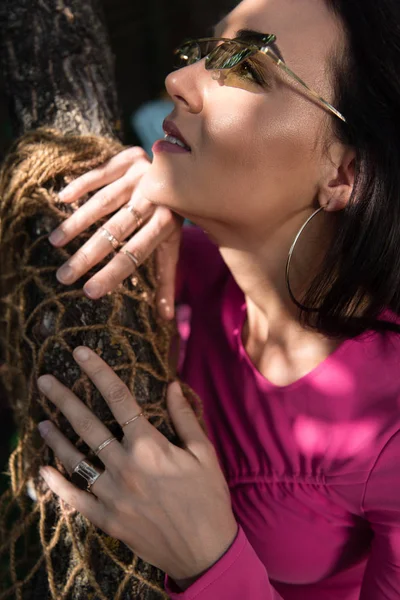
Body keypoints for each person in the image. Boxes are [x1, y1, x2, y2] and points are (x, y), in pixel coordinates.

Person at [35, 0, 400, 598]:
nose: (178, 82)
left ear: (344, 175)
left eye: (248, 68)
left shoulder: (389, 429)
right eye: (203, 53)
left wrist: (210, 563)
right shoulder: (158, 258)